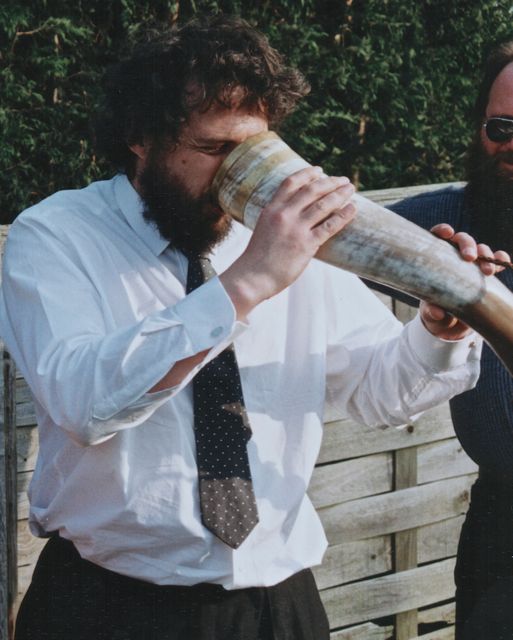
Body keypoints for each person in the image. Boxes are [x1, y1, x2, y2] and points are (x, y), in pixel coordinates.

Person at [0, 16, 502, 640]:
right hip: (109, 605)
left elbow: (382, 393)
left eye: (255, 147)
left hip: (278, 607)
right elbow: (83, 402)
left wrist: (439, 328)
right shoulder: (55, 236)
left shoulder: (288, 238)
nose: (240, 176)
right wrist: (247, 283)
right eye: (215, 151)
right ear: (140, 136)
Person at [373, 41, 513, 640]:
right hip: (502, 518)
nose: (512, 145)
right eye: (501, 126)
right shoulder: (449, 222)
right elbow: (328, 240)